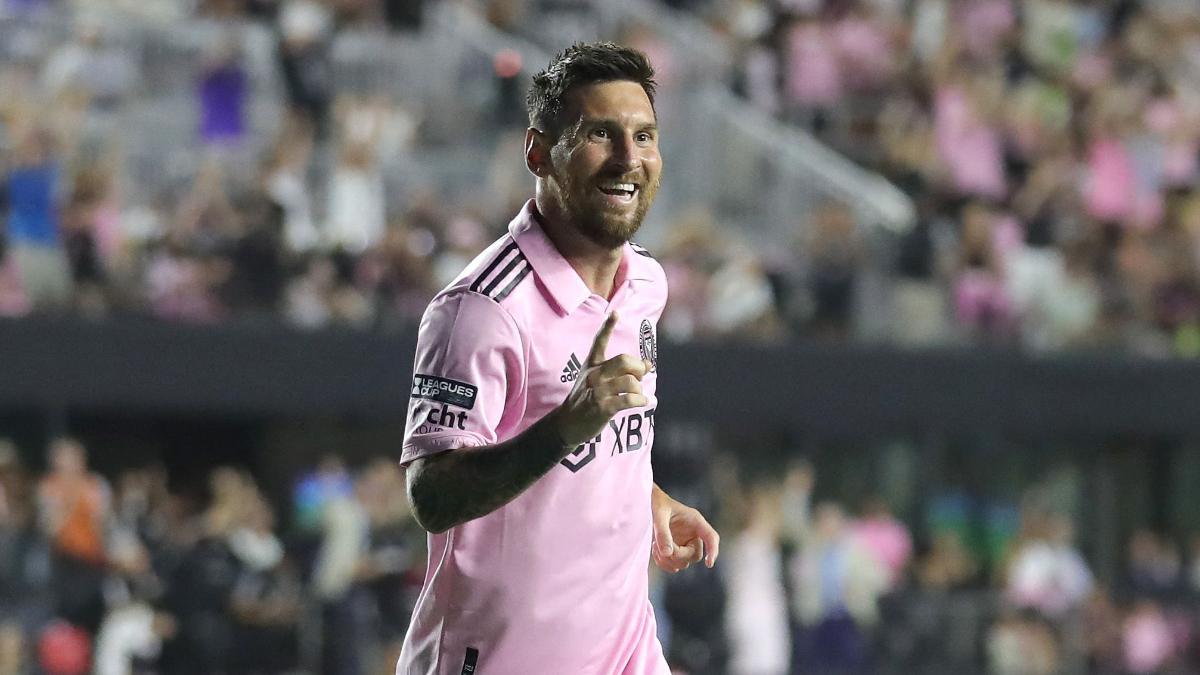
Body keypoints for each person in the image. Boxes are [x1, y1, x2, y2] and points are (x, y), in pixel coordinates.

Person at [397, 42, 720, 674]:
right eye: (601, 134)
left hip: (623, 651)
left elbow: (603, 444)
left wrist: (647, 498)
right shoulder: (481, 310)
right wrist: (566, 426)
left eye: (645, 135)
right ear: (538, 152)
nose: (630, 157)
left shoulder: (645, 286)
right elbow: (431, 495)